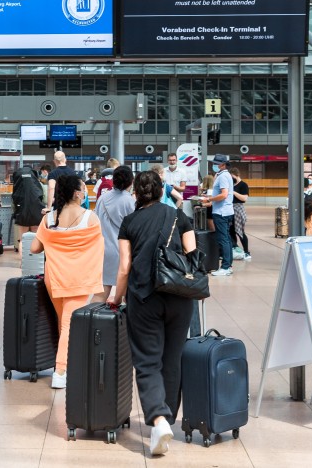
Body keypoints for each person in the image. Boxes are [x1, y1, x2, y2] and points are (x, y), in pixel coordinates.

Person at [107, 170, 197, 457]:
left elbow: (124, 267)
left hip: (144, 298)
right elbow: (193, 256)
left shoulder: (130, 222)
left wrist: (116, 297)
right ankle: (167, 419)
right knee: (172, 360)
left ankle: (158, 420)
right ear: (161, 191)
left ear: (137, 193)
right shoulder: (179, 217)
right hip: (180, 297)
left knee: (147, 362)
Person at [31, 173, 103, 389]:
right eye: (82, 188)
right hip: (78, 279)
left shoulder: (49, 219)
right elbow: (99, 246)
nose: (85, 192)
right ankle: (60, 371)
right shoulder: (90, 217)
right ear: (76, 192)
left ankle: (69, 363)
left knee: (65, 323)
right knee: (69, 324)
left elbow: (35, 248)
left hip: (54, 278)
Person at [94, 165, 135, 302]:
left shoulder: (102, 199)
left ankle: (91, 319)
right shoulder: (129, 201)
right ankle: (124, 322)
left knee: (102, 290)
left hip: (103, 249)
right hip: (123, 250)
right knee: (127, 291)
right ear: (131, 181)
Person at [197, 154, 234, 276]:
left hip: (221, 212)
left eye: (216, 163)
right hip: (225, 211)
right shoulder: (223, 175)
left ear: (223, 165)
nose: (214, 165)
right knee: (227, 239)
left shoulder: (223, 177)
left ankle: (225, 267)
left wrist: (209, 200)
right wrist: (209, 197)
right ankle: (228, 265)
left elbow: (224, 195)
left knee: (223, 239)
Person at [228, 166, 251, 262]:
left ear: (236, 175)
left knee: (240, 232)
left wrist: (233, 192)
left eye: (232, 176)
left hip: (238, 209)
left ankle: (246, 251)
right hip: (230, 208)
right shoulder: (230, 184)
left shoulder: (243, 185)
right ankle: (235, 249)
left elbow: (244, 198)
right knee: (231, 231)